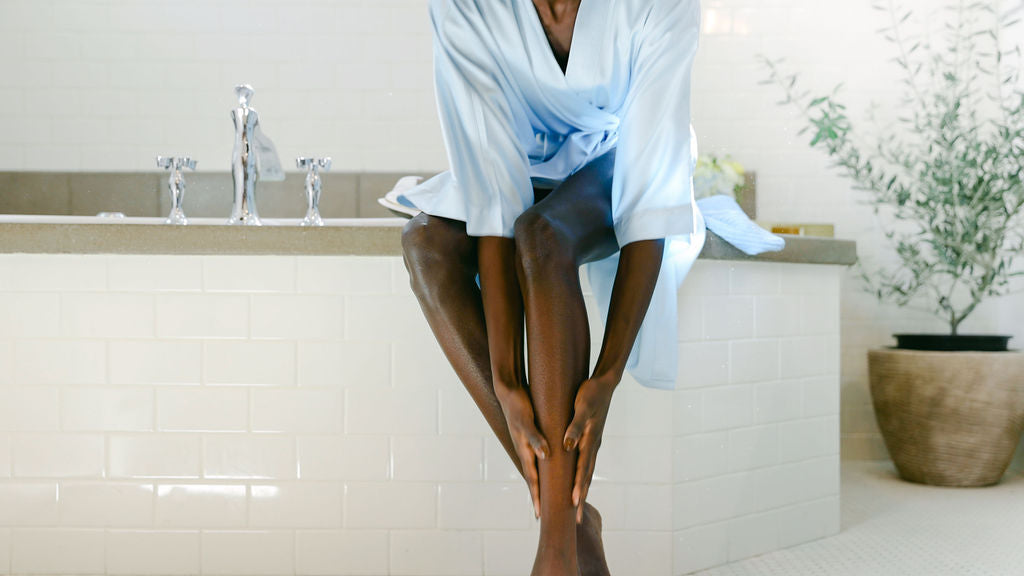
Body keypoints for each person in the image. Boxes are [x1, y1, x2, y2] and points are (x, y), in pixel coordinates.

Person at [397, 0, 783, 573]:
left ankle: (555, 549)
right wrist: (505, 380)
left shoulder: (660, 7)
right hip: (521, 163)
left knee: (543, 237)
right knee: (424, 243)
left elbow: (648, 200)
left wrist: (605, 379)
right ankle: (575, 521)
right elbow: (494, 200)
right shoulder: (465, 6)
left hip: (617, 154)